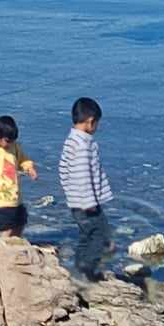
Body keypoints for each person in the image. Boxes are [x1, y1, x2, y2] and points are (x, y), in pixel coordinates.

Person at [59, 96, 114, 281]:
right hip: (87, 203)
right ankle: (87, 271)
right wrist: (89, 202)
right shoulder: (83, 145)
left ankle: (79, 269)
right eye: (97, 124)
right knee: (101, 236)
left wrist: (70, 192)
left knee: (85, 236)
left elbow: (63, 169)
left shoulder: (71, 140)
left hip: (76, 201)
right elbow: (83, 174)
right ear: (91, 122)